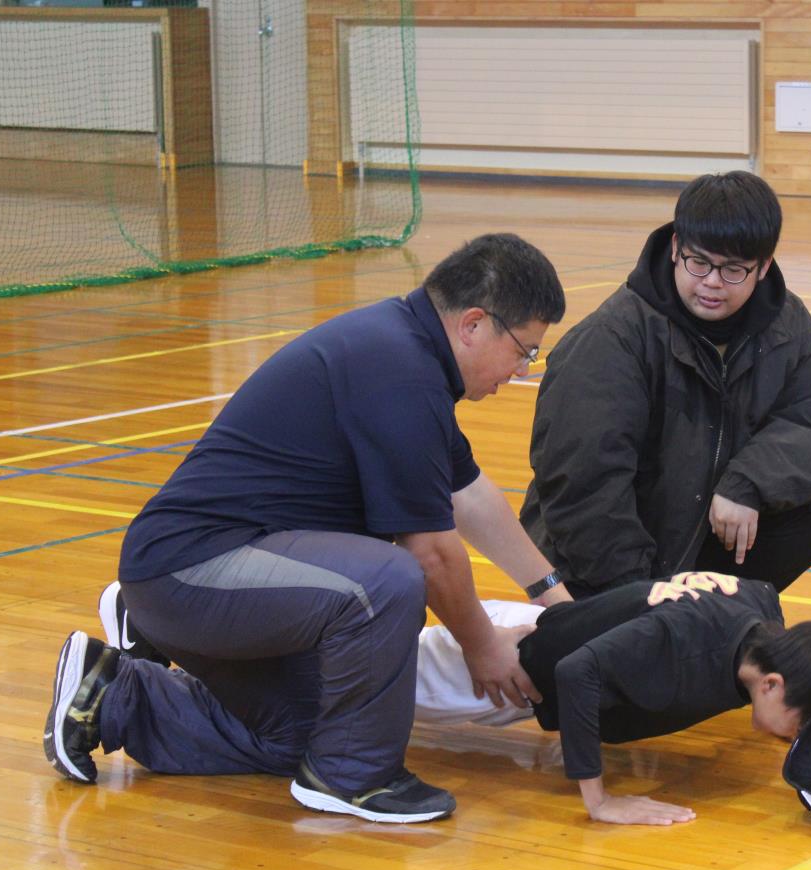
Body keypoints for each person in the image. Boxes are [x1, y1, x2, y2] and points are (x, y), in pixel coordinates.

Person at [44, 233, 575, 823]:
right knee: (390, 580)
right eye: (524, 352)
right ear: (474, 324)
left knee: (302, 734)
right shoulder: (399, 370)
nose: (521, 372)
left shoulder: (406, 354)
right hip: (188, 570)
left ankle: (114, 694)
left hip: (208, 573)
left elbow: (470, 497)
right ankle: (352, 779)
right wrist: (481, 647)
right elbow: (431, 555)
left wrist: (555, 597)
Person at [520, 170, 811, 598]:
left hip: (695, 529)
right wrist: (638, 601)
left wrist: (747, 482)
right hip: (601, 558)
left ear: (764, 268)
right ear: (675, 249)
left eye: (734, 270)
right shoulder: (612, 339)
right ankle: (678, 615)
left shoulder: (785, 324)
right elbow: (583, 488)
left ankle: (705, 610)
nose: (712, 282)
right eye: (698, 262)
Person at [413, 571, 811, 826]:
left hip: (546, 637)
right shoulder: (688, 643)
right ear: (772, 685)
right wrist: (600, 803)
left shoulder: (762, 609)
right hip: (500, 672)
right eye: (798, 727)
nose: (794, 737)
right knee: (348, 682)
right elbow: (576, 672)